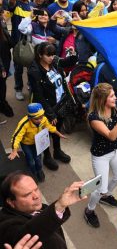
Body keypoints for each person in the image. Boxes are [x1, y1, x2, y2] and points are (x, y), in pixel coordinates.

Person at [83, 83, 117, 228]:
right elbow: (111, 136)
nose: (115, 98)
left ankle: (106, 196)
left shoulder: (115, 105)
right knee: (99, 189)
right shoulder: (94, 117)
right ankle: (89, 210)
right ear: (103, 99)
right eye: (111, 96)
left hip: (116, 150)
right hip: (101, 156)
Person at [0, 170, 86, 248]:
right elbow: (30, 231)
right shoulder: (6, 226)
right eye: (27, 195)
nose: (36, 196)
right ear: (11, 202)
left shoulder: (39, 207)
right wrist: (59, 205)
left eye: (36, 189)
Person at [28, 42, 77, 171]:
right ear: (40, 55)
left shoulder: (54, 62)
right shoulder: (34, 71)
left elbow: (68, 63)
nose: (52, 57)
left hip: (60, 103)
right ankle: (47, 156)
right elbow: (39, 95)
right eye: (48, 55)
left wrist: (72, 55)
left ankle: (57, 151)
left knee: (57, 128)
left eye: (53, 54)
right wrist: (49, 113)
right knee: (45, 133)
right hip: (47, 107)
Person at [8, 103, 66, 182]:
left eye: (41, 117)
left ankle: (39, 170)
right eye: (36, 118)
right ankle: (33, 173)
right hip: (26, 144)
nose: (40, 120)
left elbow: (48, 126)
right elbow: (16, 136)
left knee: (38, 159)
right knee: (31, 160)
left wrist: (58, 133)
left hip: (36, 142)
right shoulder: (24, 123)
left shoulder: (43, 119)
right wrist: (14, 150)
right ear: (30, 117)